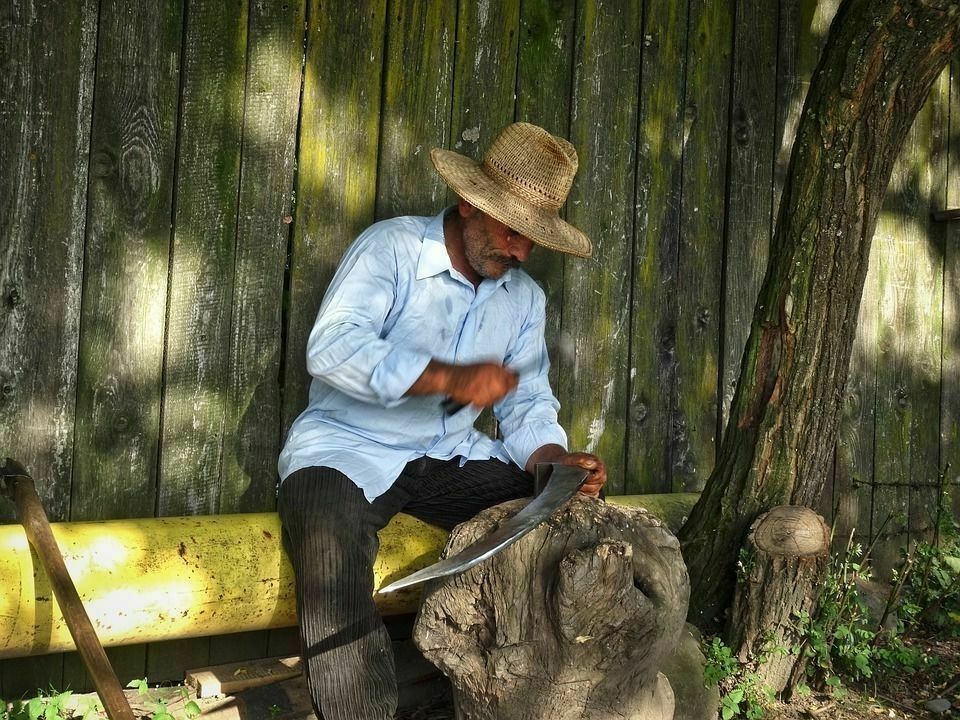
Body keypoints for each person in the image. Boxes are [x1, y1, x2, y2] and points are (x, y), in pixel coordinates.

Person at [277, 121, 607, 719]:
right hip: (345, 450)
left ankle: (520, 698)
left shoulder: (523, 300)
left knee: (560, 518)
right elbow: (331, 348)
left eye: (533, 241)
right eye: (512, 232)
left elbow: (527, 406)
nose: (521, 252)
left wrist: (556, 467)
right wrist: (447, 378)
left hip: (451, 457)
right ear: (469, 204)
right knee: (330, 545)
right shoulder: (393, 249)